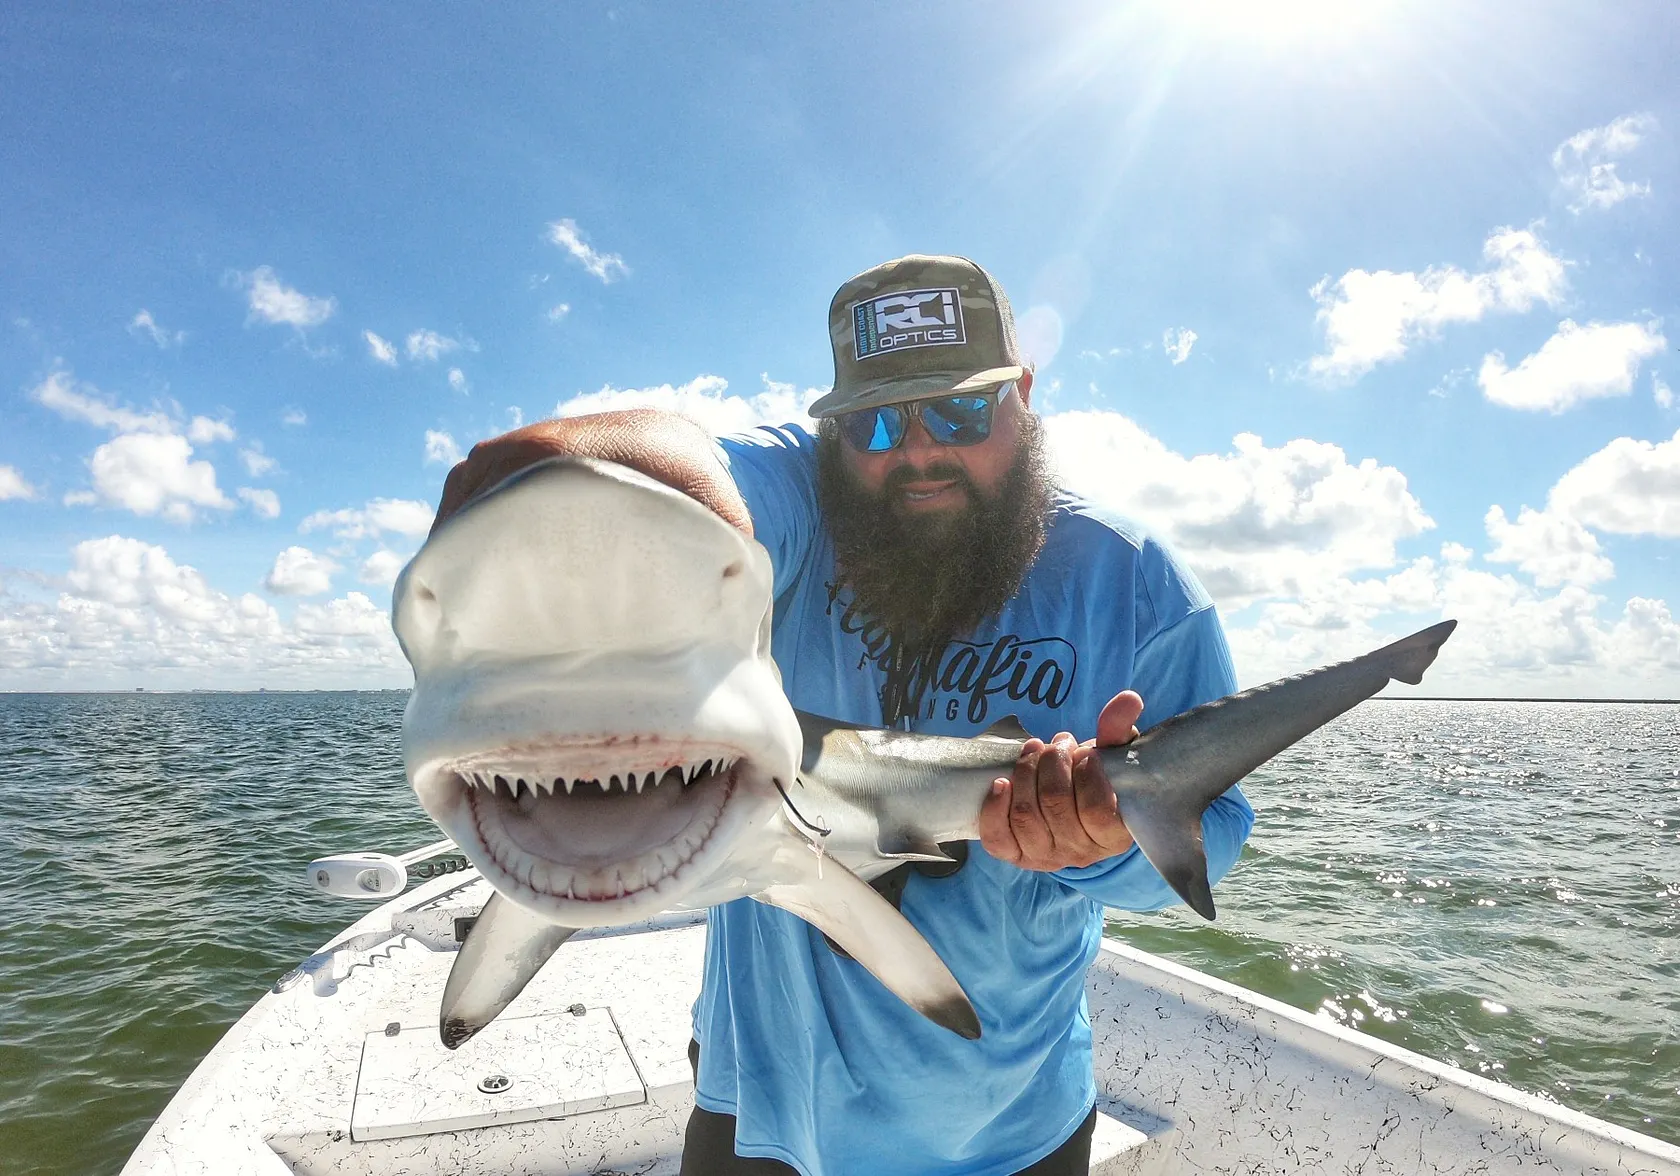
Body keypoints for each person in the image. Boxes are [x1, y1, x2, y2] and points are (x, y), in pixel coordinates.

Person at [434, 255, 1255, 1175]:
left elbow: (1213, 838)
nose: (916, 452)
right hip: (759, 1103)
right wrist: (557, 476)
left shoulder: (1135, 583)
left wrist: (1102, 849)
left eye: (959, 410)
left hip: (1007, 1122)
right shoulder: (801, 501)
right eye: (871, 424)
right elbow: (704, 474)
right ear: (829, 429)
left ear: (1023, 395)